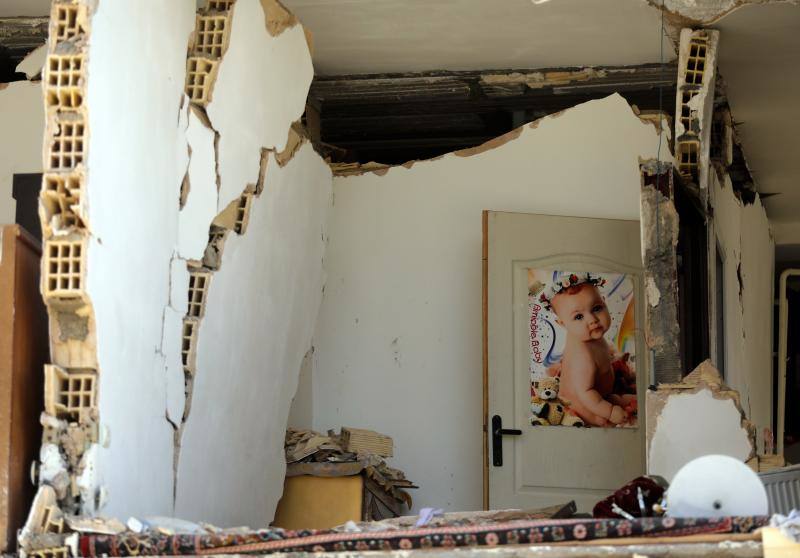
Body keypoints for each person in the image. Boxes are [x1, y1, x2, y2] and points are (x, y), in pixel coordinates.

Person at [539, 272, 635, 427]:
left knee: (624, 398)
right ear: (562, 324)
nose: (592, 320)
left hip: (601, 393)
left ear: (604, 303)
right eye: (578, 317)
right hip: (586, 407)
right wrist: (609, 411)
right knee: (619, 411)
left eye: (597, 308)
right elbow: (585, 393)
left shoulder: (588, 336)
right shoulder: (582, 357)